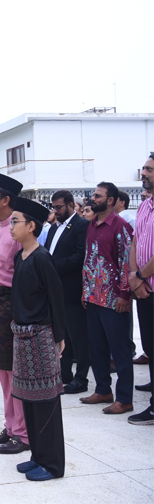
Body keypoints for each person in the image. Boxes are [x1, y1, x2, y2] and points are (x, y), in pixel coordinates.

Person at [9, 197, 67, 481]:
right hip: (21, 337)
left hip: (42, 336)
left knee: (45, 401)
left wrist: (60, 336)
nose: (10, 226)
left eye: (15, 221)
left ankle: (53, 464)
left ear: (31, 226)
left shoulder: (42, 258)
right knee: (28, 400)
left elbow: (57, 298)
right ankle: (38, 456)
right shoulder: (19, 257)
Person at [0, 173, 28, 454]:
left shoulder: (17, 230)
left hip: (8, 303)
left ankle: (22, 433)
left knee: (14, 371)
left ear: (6, 200)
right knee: (2, 370)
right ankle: (11, 427)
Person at [80, 182, 135, 414]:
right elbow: (88, 259)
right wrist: (85, 290)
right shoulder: (92, 225)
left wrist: (124, 294)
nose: (93, 198)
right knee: (97, 347)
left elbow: (126, 262)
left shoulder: (120, 226)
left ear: (110, 200)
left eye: (98, 196)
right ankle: (103, 389)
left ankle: (125, 398)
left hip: (114, 299)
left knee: (120, 350)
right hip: (93, 296)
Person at [44, 190, 90, 394]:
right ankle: (64, 374)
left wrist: (53, 266)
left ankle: (81, 378)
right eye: (54, 207)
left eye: (59, 207)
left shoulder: (81, 225)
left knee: (78, 335)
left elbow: (81, 255)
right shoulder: (54, 228)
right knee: (61, 335)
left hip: (72, 289)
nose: (56, 211)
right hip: (55, 290)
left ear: (71, 205)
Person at [127, 153, 154, 425]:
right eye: (144, 168)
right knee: (151, 346)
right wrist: (135, 277)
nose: (144, 173)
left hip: (149, 284)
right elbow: (136, 242)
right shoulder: (145, 206)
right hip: (145, 288)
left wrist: (141, 276)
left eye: (149, 169)